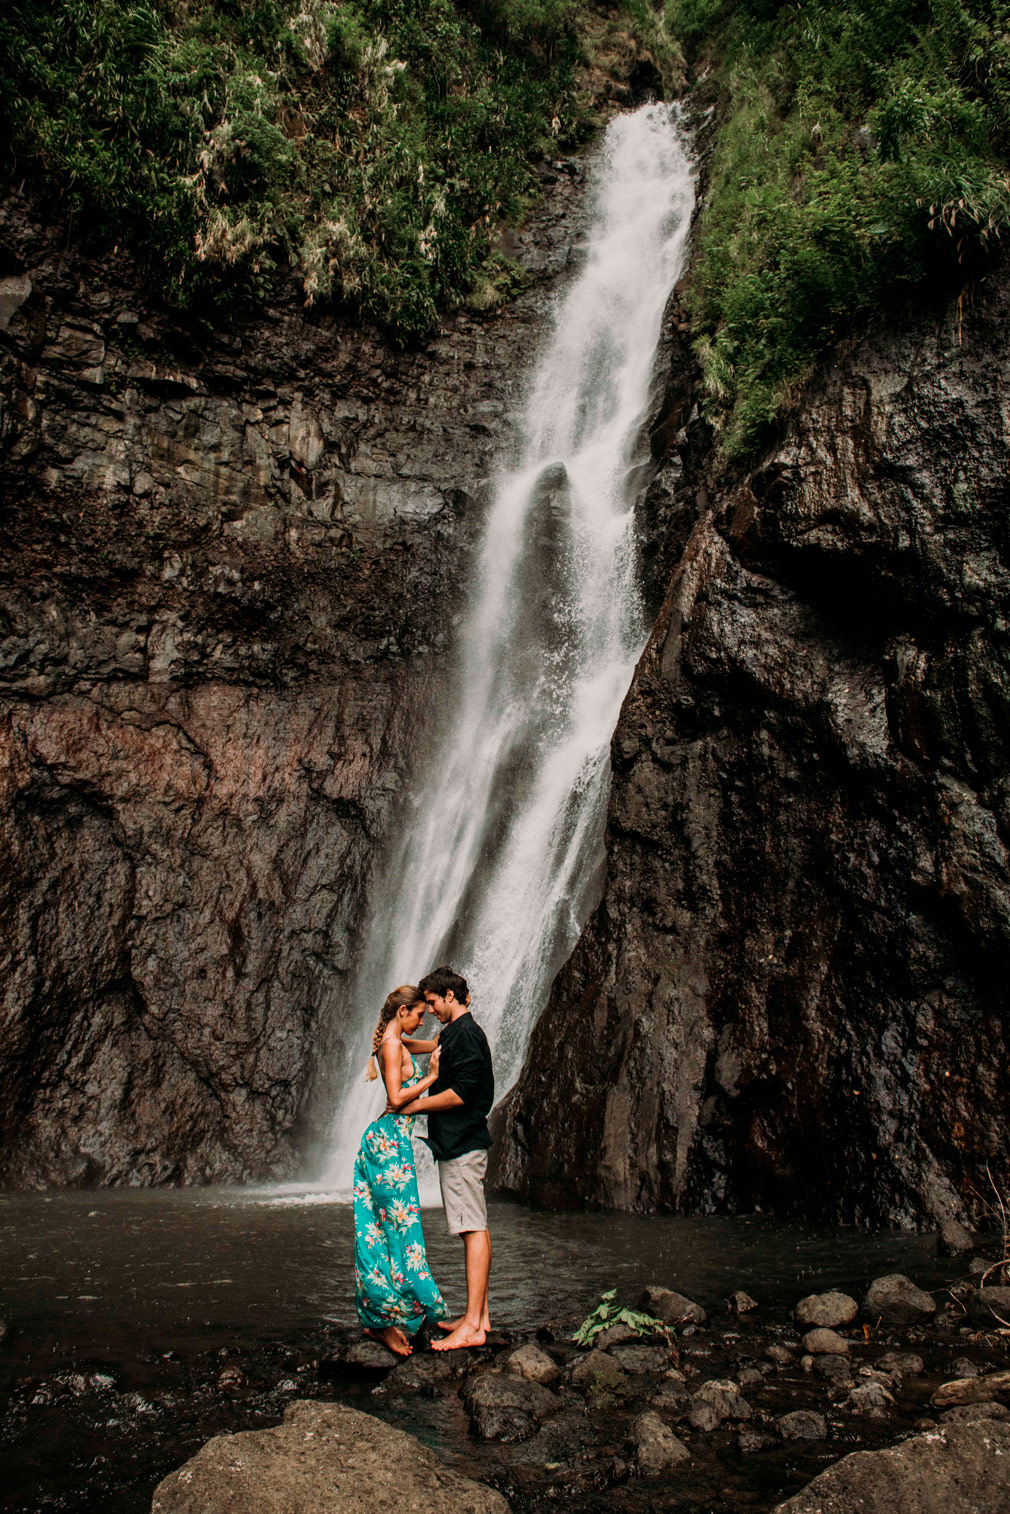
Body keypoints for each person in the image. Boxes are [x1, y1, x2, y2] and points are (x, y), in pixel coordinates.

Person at [396, 966, 494, 1350]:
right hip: (457, 1144)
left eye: (434, 1002)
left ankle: (472, 1326)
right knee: (474, 1227)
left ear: (450, 997)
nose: (431, 1010)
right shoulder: (456, 1033)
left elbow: (462, 1094)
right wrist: (393, 1041)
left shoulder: (467, 1034)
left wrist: (413, 1106)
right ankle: (479, 1316)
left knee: (472, 1229)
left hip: (462, 1144)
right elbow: (429, 1049)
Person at [352, 984, 448, 1357]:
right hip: (387, 1147)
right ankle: (385, 1323)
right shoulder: (392, 1046)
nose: (422, 1021)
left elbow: (434, 1044)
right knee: (397, 1232)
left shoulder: (396, 1042)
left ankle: (387, 1319)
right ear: (402, 1011)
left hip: (390, 1145)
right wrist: (431, 1079)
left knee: (382, 1232)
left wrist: (454, 1025)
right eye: (419, 1015)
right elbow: (395, 1098)